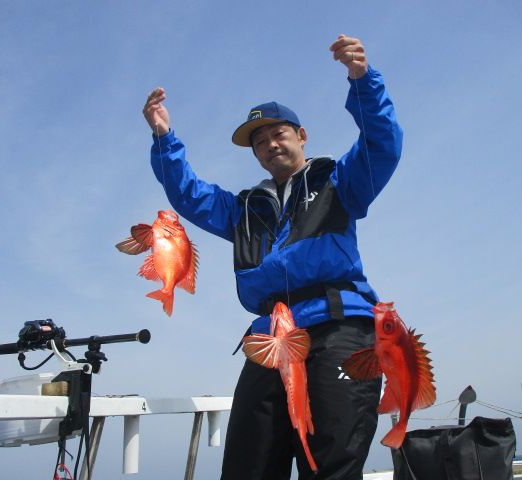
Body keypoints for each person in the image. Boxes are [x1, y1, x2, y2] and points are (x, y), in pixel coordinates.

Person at [143, 34, 403, 480]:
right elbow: (188, 194)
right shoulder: (243, 209)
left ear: (301, 136)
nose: (269, 145)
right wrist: (163, 137)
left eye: (278, 134)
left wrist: (363, 80)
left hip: (339, 328)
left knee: (331, 465)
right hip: (270, 337)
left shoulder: (338, 181)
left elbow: (382, 144)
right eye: (259, 142)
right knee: (249, 466)